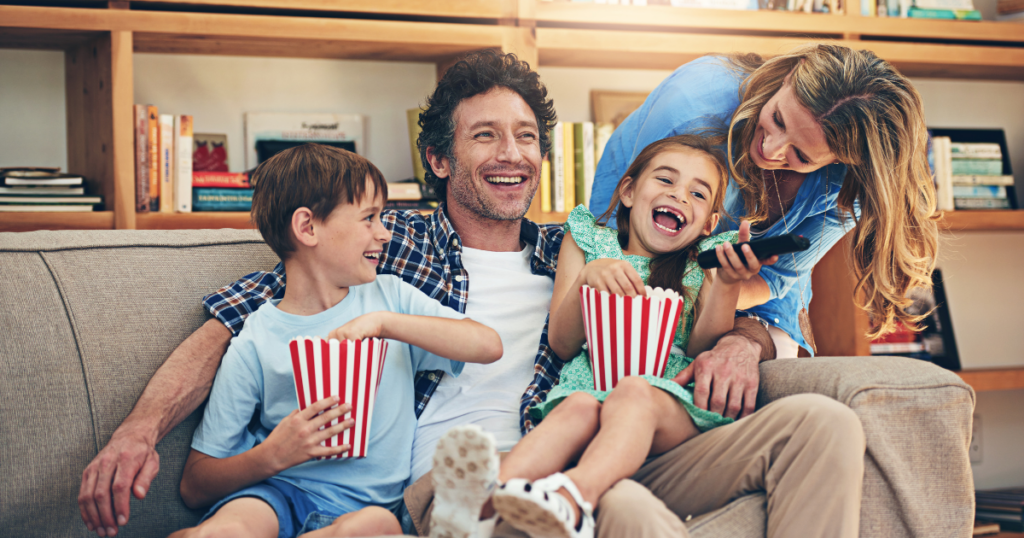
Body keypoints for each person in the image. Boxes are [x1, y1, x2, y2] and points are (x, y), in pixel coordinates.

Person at [76, 50, 776, 538]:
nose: (513, 155)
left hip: (548, 467)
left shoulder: (576, 251)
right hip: (423, 489)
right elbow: (243, 315)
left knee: (628, 508)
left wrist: (746, 339)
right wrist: (140, 431)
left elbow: (716, 309)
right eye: (486, 137)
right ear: (439, 161)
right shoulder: (390, 243)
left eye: (526, 138)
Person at [169, 144, 502, 538]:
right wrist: (273, 455)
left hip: (372, 509)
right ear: (307, 227)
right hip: (278, 493)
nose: (385, 232)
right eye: (369, 218)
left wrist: (385, 323)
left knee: (374, 526)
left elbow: (486, 344)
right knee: (227, 529)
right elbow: (195, 485)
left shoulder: (390, 299)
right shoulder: (255, 340)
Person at [486, 134, 765, 538]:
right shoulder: (588, 244)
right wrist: (588, 280)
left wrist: (726, 286)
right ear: (630, 191)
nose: (680, 196)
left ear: (708, 223)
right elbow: (563, 345)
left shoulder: (703, 264)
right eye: (666, 180)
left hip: (666, 400)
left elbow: (701, 349)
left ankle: (572, 501)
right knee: (577, 407)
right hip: (592, 386)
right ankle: (479, 503)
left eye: (698, 193)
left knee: (633, 393)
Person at [590, 43, 940, 359]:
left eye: (801, 155)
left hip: (739, 289)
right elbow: (632, 242)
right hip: (635, 247)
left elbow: (774, 279)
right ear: (789, 76)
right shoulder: (691, 109)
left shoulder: (852, 185)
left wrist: (723, 298)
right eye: (777, 119)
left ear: (841, 161)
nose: (770, 151)